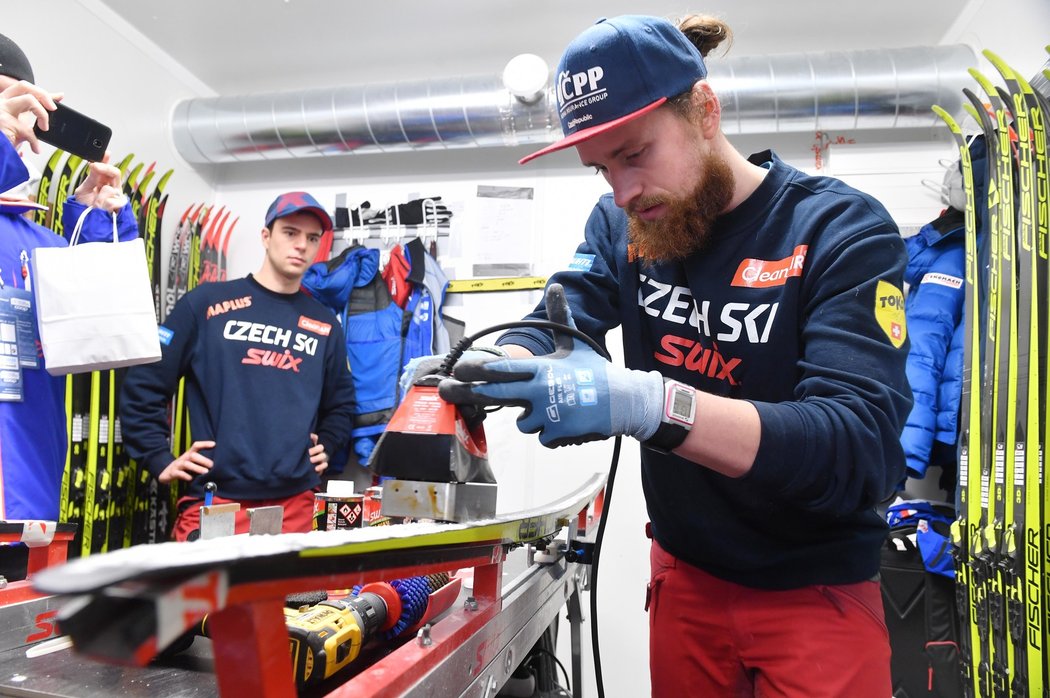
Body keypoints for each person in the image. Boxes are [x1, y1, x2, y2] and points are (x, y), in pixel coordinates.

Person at [435, 14, 913, 697]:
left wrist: (647, 403)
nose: (623, 191)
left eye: (634, 154)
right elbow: (557, 324)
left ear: (706, 112)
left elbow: (859, 450)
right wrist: (489, 364)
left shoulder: (838, 229)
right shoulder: (622, 226)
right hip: (686, 578)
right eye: (602, 168)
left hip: (816, 588)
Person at [120, 192, 355, 541]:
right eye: (290, 232)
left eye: (311, 238)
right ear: (266, 236)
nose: (301, 245)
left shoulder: (324, 324)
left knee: (287, 598)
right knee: (203, 597)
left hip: (294, 503)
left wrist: (330, 443)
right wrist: (157, 456)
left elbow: (343, 403)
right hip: (217, 499)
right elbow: (145, 381)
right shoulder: (206, 304)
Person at [0, 32, 136, 581]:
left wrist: (100, 222)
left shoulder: (40, 243)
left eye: (18, 101)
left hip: (24, 511)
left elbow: (112, 336)